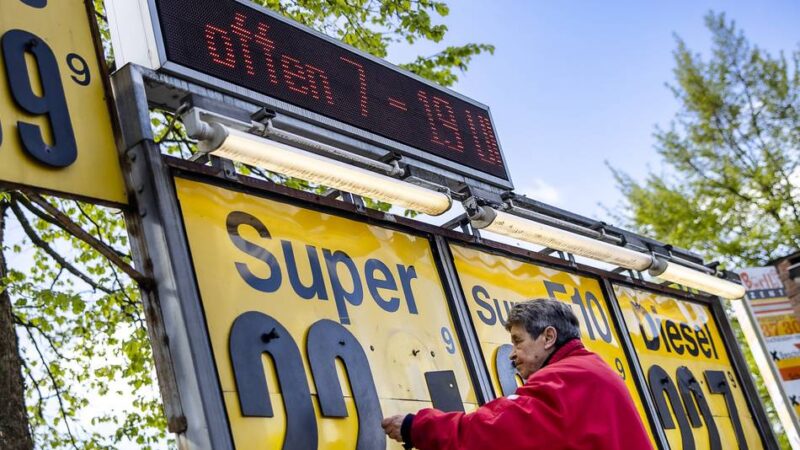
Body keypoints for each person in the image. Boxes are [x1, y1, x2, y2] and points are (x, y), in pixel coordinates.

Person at [381, 298, 653, 450]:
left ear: (548, 337)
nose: (512, 354)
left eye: (518, 341)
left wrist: (414, 426)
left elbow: (493, 433)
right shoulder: (591, 370)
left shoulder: (564, 380)